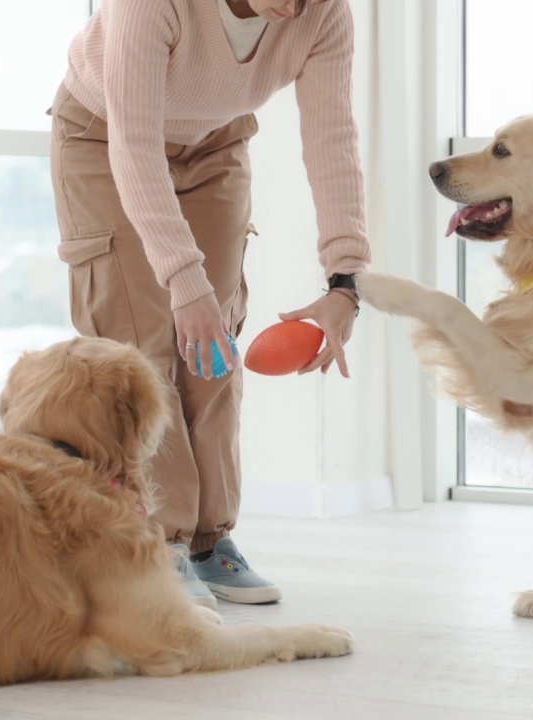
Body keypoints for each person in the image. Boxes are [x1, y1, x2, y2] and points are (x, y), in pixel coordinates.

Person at [48, 0, 370, 607]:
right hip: (104, 135)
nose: (295, 8)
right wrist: (184, 281)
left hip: (215, 142)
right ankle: (152, 544)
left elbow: (333, 137)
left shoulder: (324, 12)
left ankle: (207, 540)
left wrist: (345, 282)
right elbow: (134, 144)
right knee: (140, 346)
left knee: (212, 341)